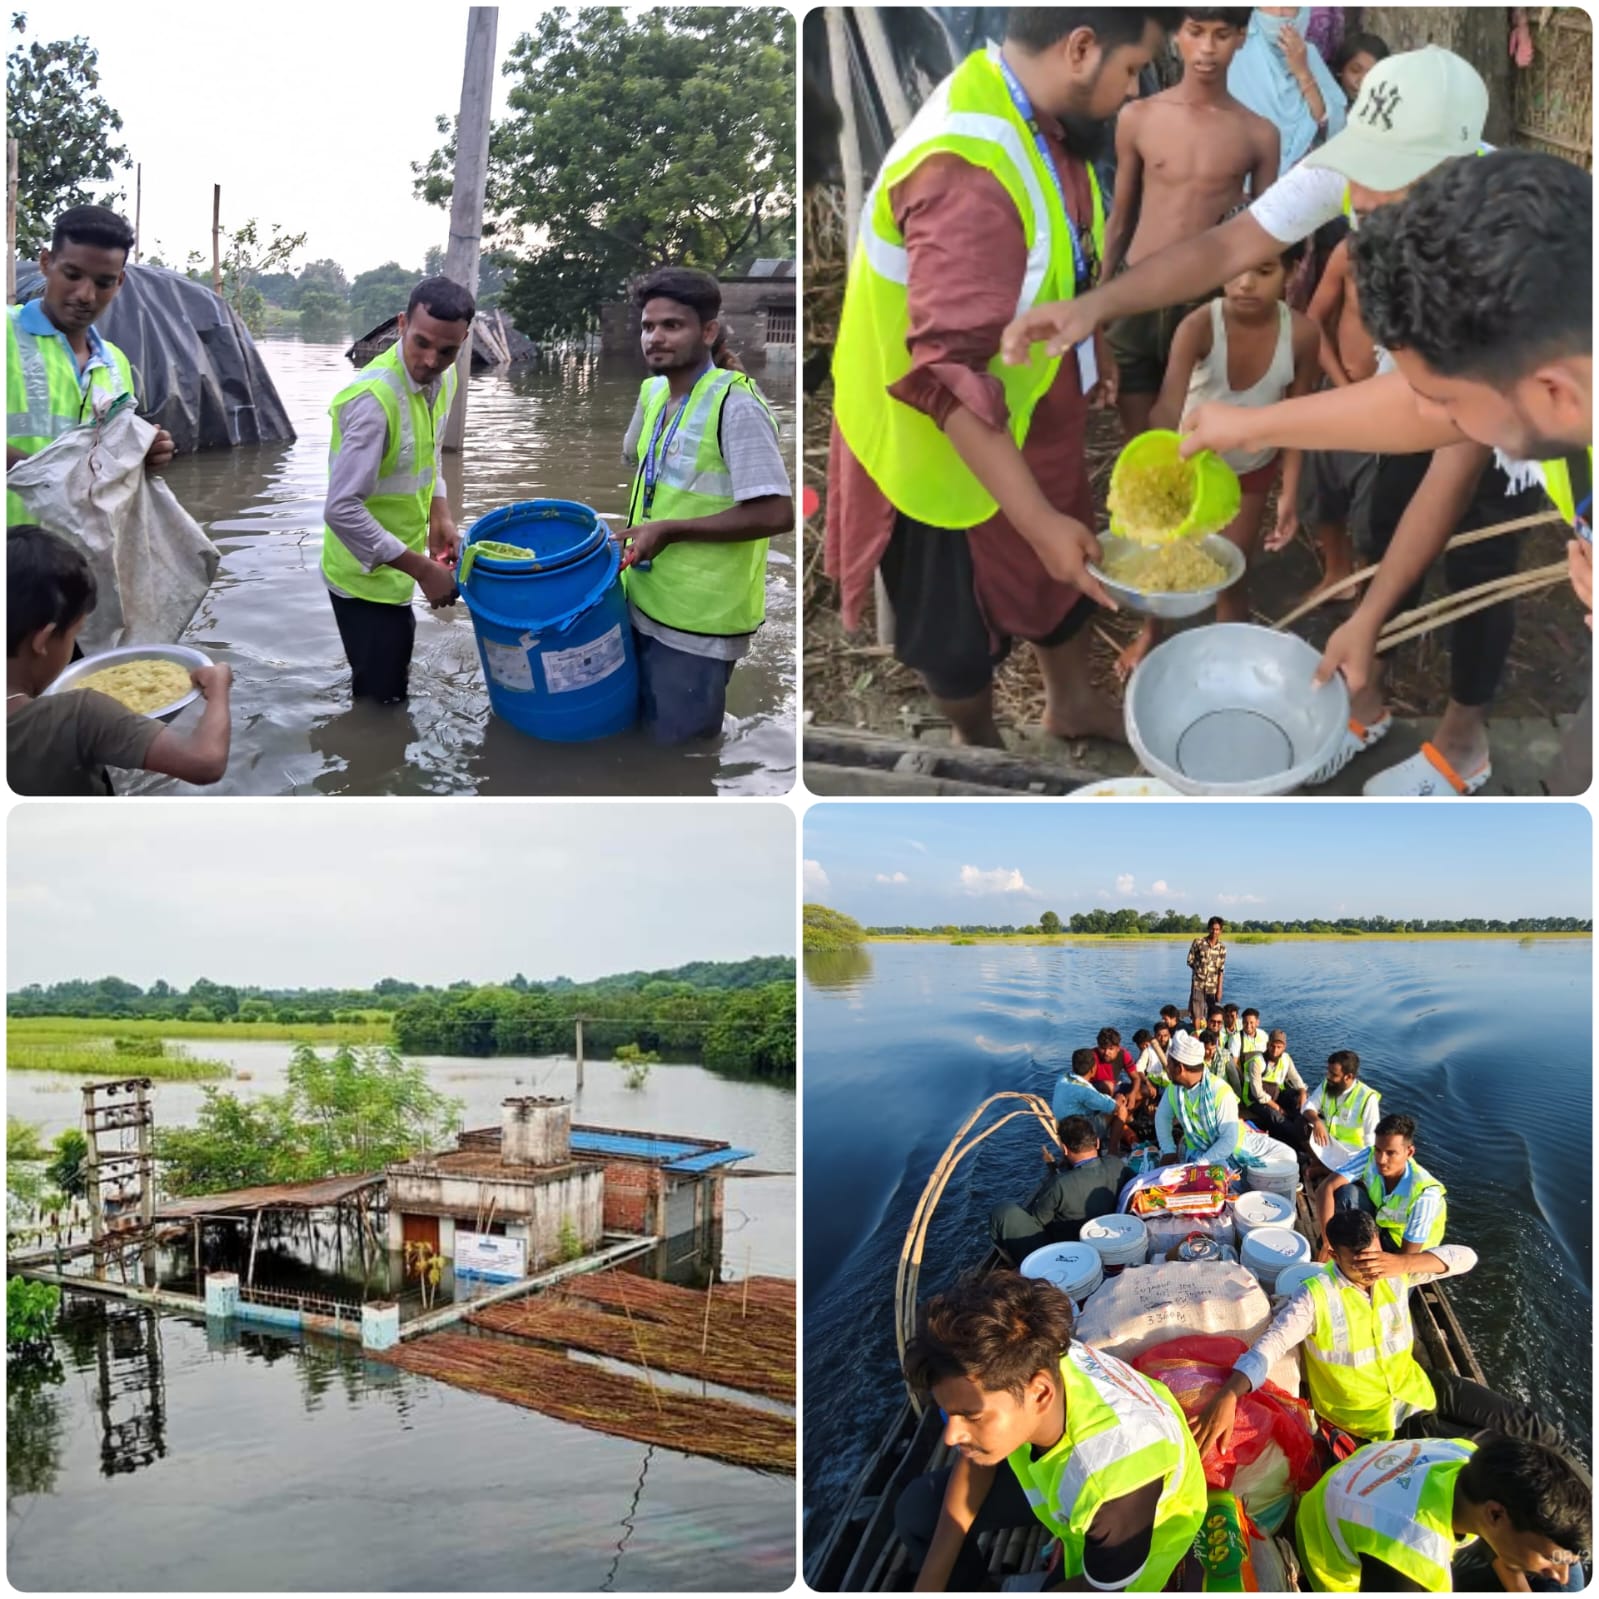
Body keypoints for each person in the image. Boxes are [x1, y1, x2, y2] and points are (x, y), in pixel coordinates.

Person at [1179, 151, 1592, 795]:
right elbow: (1417, 411)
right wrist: (1245, 425)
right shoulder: (1553, 368)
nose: (1428, 417)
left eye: (1447, 400)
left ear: (1554, 396)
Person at [826, 9, 1175, 752]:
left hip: (1023, 404)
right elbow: (945, 378)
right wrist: (1038, 522)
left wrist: (1093, 343)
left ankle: (1069, 703)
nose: (1134, 91)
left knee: (1061, 572)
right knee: (952, 630)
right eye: (1131, 68)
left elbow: (1058, 251)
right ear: (1080, 49)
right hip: (934, 445)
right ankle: (978, 740)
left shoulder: (1032, 112)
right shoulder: (969, 173)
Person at [1000, 47, 1486, 372]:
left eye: (1389, 172)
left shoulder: (1502, 225)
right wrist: (1094, 306)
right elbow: (1223, 249)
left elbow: (1448, 421)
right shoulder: (1339, 170)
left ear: (1453, 167)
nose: (1359, 196)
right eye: (1364, 160)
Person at [894, 1272, 1207, 1592]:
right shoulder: (1034, 1353)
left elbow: (1100, 1590)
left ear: (1040, 1394)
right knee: (919, 1510)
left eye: (970, 1416)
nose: (950, 1436)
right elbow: (973, 1462)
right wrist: (929, 1584)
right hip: (1071, 1489)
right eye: (950, 1414)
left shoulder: (1117, 1486)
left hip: (1126, 1564)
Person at [1116, 237, 1319, 676]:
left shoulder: (1302, 335)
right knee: (1167, 555)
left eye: (1264, 272)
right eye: (1236, 269)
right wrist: (1157, 459)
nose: (1245, 284)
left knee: (1231, 566)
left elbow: (1297, 417)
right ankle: (1153, 633)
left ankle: (1231, 649)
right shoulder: (1199, 325)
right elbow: (1169, 404)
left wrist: (1289, 490)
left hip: (1251, 470)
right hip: (1189, 467)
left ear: (1291, 272)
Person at [621, 267, 792, 743]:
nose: (654, 338)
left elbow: (778, 512)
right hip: (643, 599)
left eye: (672, 325)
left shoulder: (736, 405)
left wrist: (671, 530)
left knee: (680, 762)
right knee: (638, 739)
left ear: (709, 331)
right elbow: (641, 468)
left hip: (700, 624)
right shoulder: (654, 392)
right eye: (647, 326)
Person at [1099, 9, 1279, 441]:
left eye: (1221, 35)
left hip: (1207, 299)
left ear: (1241, 37)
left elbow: (1264, 236)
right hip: (1139, 292)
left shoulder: (1258, 134)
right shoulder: (1138, 116)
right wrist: (1100, 301)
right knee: (1139, 442)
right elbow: (1121, 216)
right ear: (1176, 35)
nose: (1207, 49)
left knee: (1197, 437)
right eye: (1195, 33)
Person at [1192, 1208, 1477, 1450]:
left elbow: (1466, 1257)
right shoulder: (1315, 1297)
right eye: (1358, 1263)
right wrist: (1229, 1393)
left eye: (1374, 1258)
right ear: (1333, 1255)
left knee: (1517, 1420)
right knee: (1480, 1448)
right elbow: (1272, 1345)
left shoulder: (1394, 1271)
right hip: (1375, 1420)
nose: (1369, 1271)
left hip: (1418, 1386)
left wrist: (1404, 1261)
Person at [321, 276, 472, 705]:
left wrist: (440, 513)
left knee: (382, 681)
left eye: (447, 351)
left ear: (463, 342)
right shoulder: (373, 402)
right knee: (382, 703)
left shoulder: (443, 381)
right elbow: (341, 509)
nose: (430, 360)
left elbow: (430, 452)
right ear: (402, 323)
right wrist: (423, 570)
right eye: (421, 342)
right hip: (362, 578)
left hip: (396, 568)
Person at [7, 525, 231, 794]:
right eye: (74, 634)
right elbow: (205, 762)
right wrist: (218, 690)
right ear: (44, 640)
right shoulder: (80, 714)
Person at [7, 205, 174, 529]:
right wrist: (46, 475)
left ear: (120, 282)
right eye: (72, 275)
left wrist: (144, 455)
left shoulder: (115, 365)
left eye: (103, 282)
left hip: (77, 565)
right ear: (46, 263)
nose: (86, 294)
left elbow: (113, 463)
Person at [1296, 1432, 1589, 1593]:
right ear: (1495, 1515)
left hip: (1349, 1509)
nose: (1558, 1573)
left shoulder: (1463, 1456)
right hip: (1335, 1568)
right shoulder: (1410, 1558)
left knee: (1570, 1574)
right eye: (1550, 1559)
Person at [1289, 235, 1380, 602]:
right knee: (1322, 488)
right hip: (1341, 387)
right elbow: (1314, 318)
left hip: (1389, 405)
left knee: (1373, 507)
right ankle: (1336, 574)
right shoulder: (1350, 252)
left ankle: (1368, 588)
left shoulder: (1427, 258)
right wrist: (1342, 386)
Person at [989, 1114, 1133, 1262]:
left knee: (1004, 1211)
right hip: (1110, 1238)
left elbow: (1038, 1219)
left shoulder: (1059, 1184)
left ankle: (1015, 1262)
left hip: (1069, 1253)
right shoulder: (1117, 1165)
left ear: (1064, 1149)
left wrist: (1052, 1175)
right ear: (1096, 1142)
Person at [1155, 1030, 1295, 1174]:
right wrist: (1168, 1150)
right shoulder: (1173, 1089)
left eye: (1169, 1065)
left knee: (1289, 1155)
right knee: (1222, 1175)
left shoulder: (1220, 1091)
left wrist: (1201, 1163)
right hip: (1199, 1151)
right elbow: (1162, 1118)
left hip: (1234, 1144)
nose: (1167, 1069)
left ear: (1180, 1069)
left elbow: (1228, 1139)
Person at [1228, 7, 1346, 178]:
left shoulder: (1309, 54)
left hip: (1305, 182)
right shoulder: (1236, 53)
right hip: (1244, 185)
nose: (1280, 13)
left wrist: (1302, 71)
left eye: (1289, 6)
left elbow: (1332, 125)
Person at [1318, 1112, 1446, 1255]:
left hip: (1400, 1246)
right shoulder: (1370, 1156)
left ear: (1409, 1152)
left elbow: (1407, 1258)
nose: (1381, 1159)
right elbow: (1327, 1187)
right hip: (1380, 1223)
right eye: (1378, 1150)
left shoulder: (1425, 1194)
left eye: (1391, 1153)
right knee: (1348, 1192)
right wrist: (1327, 1242)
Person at [1303, 1048, 1382, 1151]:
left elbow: (1371, 1138)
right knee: (1301, 1124)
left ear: (1348, 1077)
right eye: (1328, 1072)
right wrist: (1317, 1122)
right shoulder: (1327, 1084)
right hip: (1326, 1141)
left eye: (1333, 1075)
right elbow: (1308, 1106)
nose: (1328, 1076)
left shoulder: (1367, 1098)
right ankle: (1316, 1163)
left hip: (1350, 1152)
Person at [1243, 1027, 1306, 1134]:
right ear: (1268, 1045)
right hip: (1254, 1100)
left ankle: (1303, 1122)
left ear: (1284, 1047)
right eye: (1272, 1046)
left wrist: (1302, 1093)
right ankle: (1296, 1135)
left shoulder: (1286, 1059)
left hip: (1275, 1093)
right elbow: (1258, 1093)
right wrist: (1279, 1108)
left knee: (1297, 1097)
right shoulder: (1257, 1063)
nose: (1275, 1051)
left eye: (1279, 1047)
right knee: (1274, 1115)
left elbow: (1296, 1078)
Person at [1051, 1046, 1120, 1129]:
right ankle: (1113, 1142)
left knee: (1106, 1086)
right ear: (1093, 1069)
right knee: (1121, 1110)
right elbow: (1114, 1107)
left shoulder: (1063, 1077)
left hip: (1063, 1124)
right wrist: (1118, 1099)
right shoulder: (1085, 1091)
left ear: (1073, 1067)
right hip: (1080, 1132)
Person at [1186, 917, 1226, 1025]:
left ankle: (1210, 1034)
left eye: (1217, 929)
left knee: (1212, 1011)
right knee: (1197, 1011)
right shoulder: (1198, 942)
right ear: (1208, 928)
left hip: (1212, 986)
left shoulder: (1222, 948)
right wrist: (1199, 971)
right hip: (1198, 983)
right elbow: (1190, 960)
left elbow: (1221, 970)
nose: (1215, 931)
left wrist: (1219, 989)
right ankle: (1197, 1035)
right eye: (1212, 929)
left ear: (1221, 931)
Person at [1331, 30, 1389, 104]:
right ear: (1340, 70)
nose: (1363, 81)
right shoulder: (1324, 103)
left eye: (1373, 74)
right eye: (1355, 70)